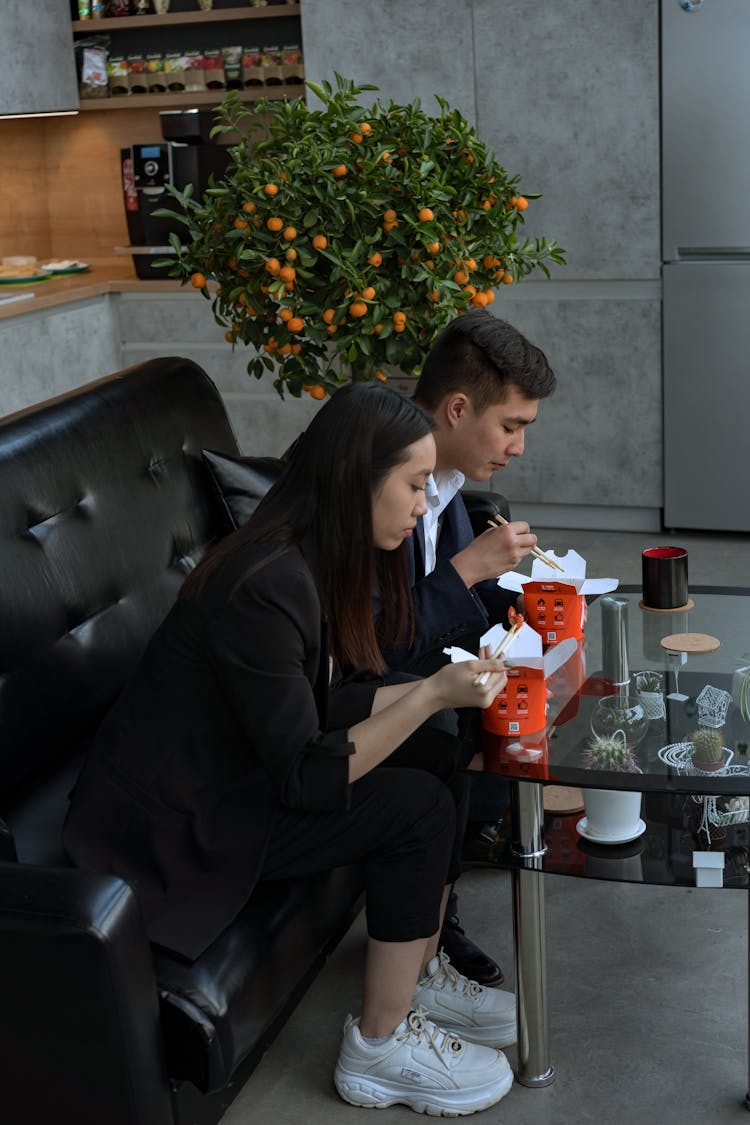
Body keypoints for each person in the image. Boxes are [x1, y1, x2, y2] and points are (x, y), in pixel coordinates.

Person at [62, 382, 517, 1117]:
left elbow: (311, 703)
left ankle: (421, 972)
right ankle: (380, 1044)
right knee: (417, 804)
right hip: (182, 826)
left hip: (240, 768)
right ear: (354, 480)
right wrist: (431, 692)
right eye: (410, 485)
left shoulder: (317, 556)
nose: (420, 504)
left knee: (435, 746)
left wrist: (438, 693)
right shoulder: (264, 583)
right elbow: (306, 768)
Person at [386, 309, 557, 986]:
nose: (517, 447)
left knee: (534, 663)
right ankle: (432, 926)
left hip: (419, 663)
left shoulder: (450, 487)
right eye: (510, 426)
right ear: (458, 408)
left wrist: (525, 604)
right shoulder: (387, 483)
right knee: (449, 721)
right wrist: (470, 569)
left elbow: (444, 604)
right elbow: (382, 639)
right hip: (371, 685)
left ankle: (448, 894)